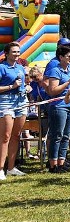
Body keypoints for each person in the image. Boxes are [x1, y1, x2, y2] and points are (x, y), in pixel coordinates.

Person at [45, 45, 70, 173]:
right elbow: (53, 91)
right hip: (59, 106)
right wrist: (69, 82)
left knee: (66, 135)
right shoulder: (55, 70)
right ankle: (53, 165)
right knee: (57, 135)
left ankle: (61, 163)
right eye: (68, 56)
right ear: (61, 57)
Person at [0, 42, 30, 180]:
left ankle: (11, 167)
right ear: (6, 54)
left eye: (18, 52)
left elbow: (22, 84)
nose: (17, 54)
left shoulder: (20, 68)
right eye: (14, 52)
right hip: (6, 102)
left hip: (21, 101)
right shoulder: (2, 68)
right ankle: (1, 169)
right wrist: (11, 86)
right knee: (5, 136)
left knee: (16, 135)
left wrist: (27, 88)